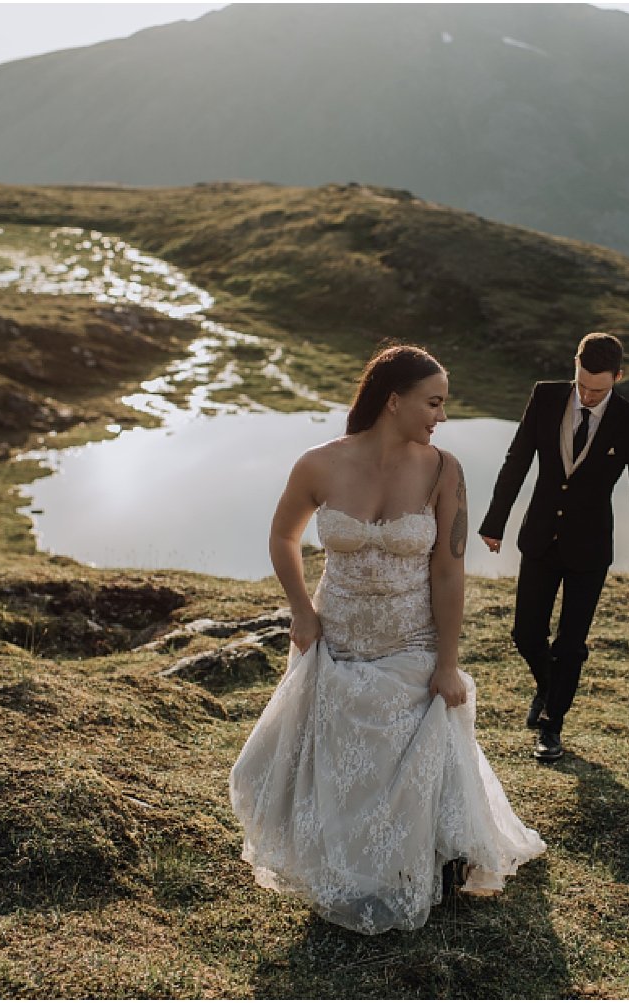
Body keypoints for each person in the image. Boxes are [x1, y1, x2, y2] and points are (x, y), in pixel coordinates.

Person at [229, 344, 545, 935]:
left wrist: (447, 664)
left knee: (415, 753)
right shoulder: (318, 464)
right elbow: (282, 537)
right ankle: (340, 861)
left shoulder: (443, 469)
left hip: (412, 639)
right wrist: (301, 610)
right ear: (392, 400)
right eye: (433, 402)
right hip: (337, 637)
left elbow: (450, 571)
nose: (441, 416)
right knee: (333, 761)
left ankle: (423, 861)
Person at [479, 332, 629, 763]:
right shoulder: (545, 398)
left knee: (570, 644)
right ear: (574, 365)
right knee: (525, 632)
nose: (586, 394)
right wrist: (495, 522)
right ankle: (549, 688)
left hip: (590, 549)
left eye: (597, 389)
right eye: (581, 384)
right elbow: (517, 459)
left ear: (618, 377)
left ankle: (551, 725)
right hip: (540, 537)